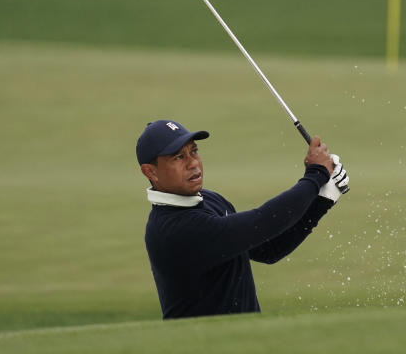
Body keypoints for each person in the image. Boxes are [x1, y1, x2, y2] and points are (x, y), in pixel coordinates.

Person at [136, 119, 349, 319]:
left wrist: (322, 201)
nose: (193, 164)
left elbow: (268, 250)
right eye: (179, 157)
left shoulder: (209, 200)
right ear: (151, 172)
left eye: (194, 152)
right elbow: (262, 222)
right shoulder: (173, 229)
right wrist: (316, 175)